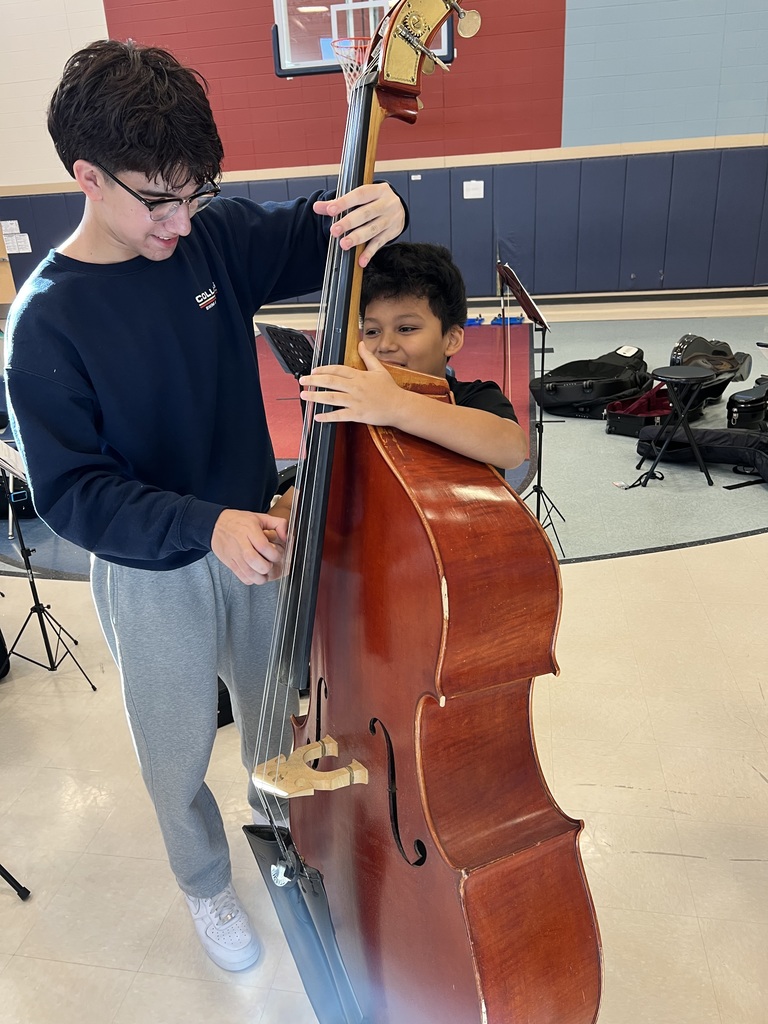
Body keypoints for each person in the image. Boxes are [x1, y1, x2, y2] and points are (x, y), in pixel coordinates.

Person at [4, 39, 406, 973]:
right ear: (88, 177)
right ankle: (205, 884)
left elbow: (320, 229)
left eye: (196, 194)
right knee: (176, 749)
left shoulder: (209, 237)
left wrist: (385, 207)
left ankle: (284, 839)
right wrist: (201, 525)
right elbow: (74, 495)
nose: (182, 222)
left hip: (257, 538)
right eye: (159, 201)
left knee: (277, 718)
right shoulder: (47, 322)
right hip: (152, 571)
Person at [299, 241, 528, 470]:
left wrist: (396, 405)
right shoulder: (355, 408)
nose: (385, 345)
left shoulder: (473, 397)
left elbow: (512, 448)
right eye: (372, 331)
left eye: (406, 328)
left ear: (451, 339)